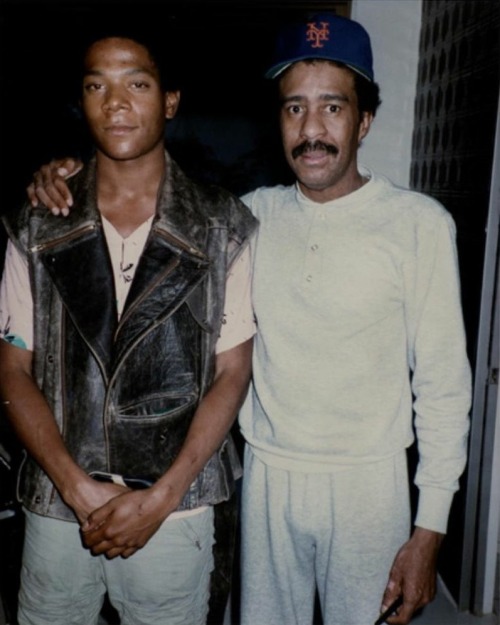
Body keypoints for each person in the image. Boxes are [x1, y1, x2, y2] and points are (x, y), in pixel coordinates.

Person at [24, 12, 472, 625]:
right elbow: (157, 199)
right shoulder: (248, 219)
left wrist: (430, 532)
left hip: (371, 486)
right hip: (267, 476)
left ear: (365, 120)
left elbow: (445, 388)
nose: (311, 130)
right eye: (294, 109)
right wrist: (62, 174)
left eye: (333, 109)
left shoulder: (420, 226)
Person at [0, 30, 257, 625]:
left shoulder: (223, 225)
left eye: (136, 83)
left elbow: (232, 371)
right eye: (97, 85)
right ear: (81, 100)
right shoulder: (36, 225)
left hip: (175, 509)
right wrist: (75, 487)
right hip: (58, 507)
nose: (115, 102)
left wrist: (162, 497)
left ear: (169, 100)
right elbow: (12, 368)